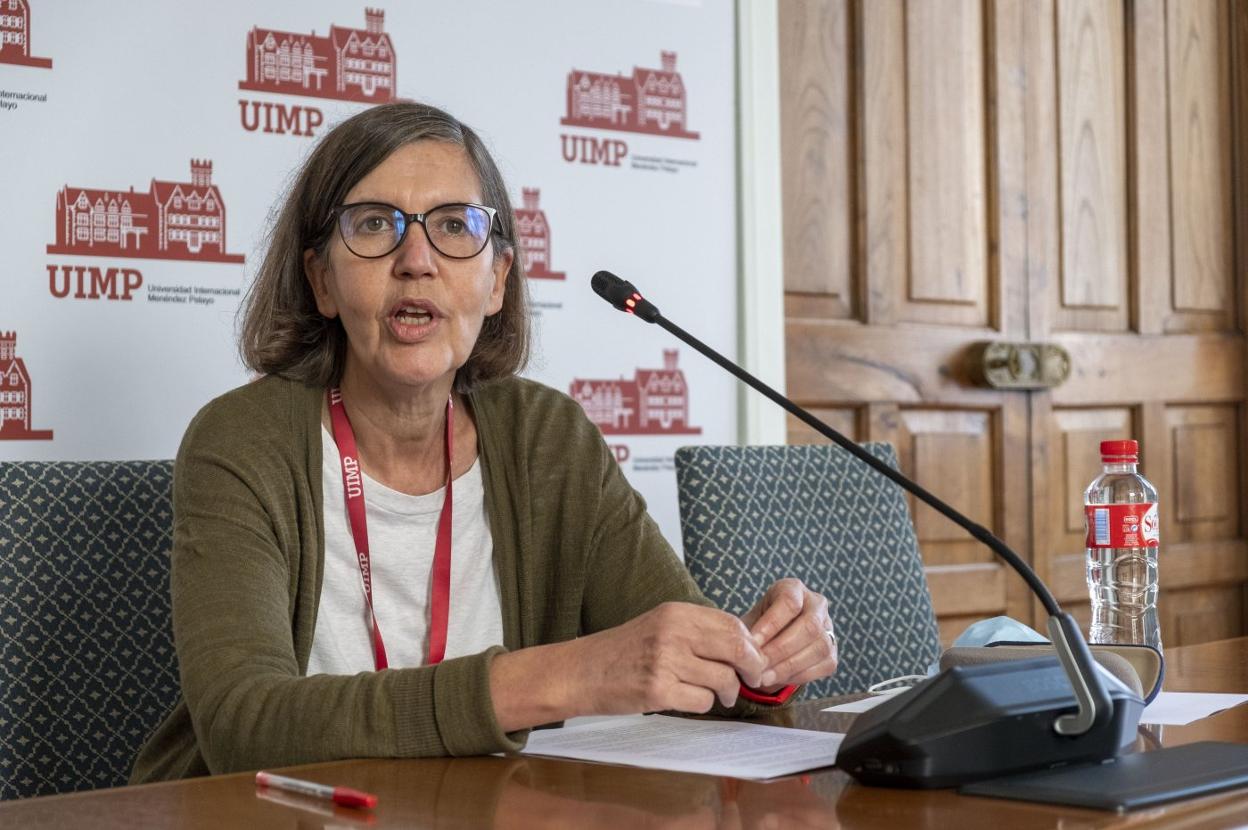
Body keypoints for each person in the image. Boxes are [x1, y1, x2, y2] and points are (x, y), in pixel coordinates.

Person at [130, 101, 838, 782]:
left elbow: (689, 680)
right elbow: (240, 725)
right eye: (374, 225)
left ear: (497, 279)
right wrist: (563, 677)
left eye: (454, 225)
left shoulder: (549, 440)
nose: (416, 259)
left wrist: (758, 658)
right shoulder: (242, 441)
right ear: (322, 280)